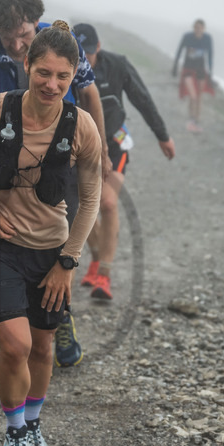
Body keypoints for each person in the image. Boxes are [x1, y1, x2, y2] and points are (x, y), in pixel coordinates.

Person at [0, 20, 102, 446]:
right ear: (28, 66)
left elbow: (90, 199)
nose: (52, 85)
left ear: (73, 77)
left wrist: (68, 263)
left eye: (62, 77)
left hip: (51, 251)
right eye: (43, 73)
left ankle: (33, 427)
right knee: (15, 345)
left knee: (43, 348)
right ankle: (14, 435)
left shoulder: (81, 126)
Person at [0, 0, 109, 368]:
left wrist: (101, 150)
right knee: (8, 242)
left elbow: (90, 94)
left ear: (34, 23)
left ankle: (58, 319)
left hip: (63, 160)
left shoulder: (60, 44)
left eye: (23, 34)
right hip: (5, 166)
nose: (17, 45)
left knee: (60, 238)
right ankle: (19, 323)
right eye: (8, 37)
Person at [73, 23, 176, 300]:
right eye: (81, 54)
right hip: (79, 148)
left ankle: (104, 276)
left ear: (99, 47)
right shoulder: (63, 69)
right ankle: (95, 258)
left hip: (115, 144)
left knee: (107, 203)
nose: (87, 59)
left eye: (91, 53)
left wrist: (162, 135)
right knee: (79, 209)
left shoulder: (117, 65)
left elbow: (142, 98)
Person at [172, 19, 215, 133]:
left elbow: (210, 56)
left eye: (200, 28)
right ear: (193, 28)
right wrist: (175, 66)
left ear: (204, 29)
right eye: (196, 27)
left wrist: (210, 72)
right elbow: (179, 51)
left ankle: (196, 120)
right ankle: (191, 119)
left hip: (201, 70)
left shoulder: (207, 39)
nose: (198, 30)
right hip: (188, 70)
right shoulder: (187, 37)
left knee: (199, 97)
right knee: (193, 96)